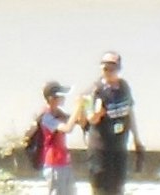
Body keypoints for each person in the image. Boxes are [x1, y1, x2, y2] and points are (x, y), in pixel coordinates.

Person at [89, 54, 140, 195]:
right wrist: (98, 113)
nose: (108, 72)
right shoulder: (96, 90)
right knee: (101, 189)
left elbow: (129, 113)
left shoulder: (124, 87)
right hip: (101, 149)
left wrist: (136, 139)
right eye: (105, 68)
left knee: (117, 188)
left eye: (112, 68)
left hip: (119, 147)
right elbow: (90, 118)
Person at [33, 82, 78, 195]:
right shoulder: (46, 116)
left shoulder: (58, 113)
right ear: (51, 98)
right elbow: (67, 128)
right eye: (60, 96)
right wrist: (78, 107)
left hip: (64, 162)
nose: (63, 98)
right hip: (54, 164)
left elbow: (76, 121)